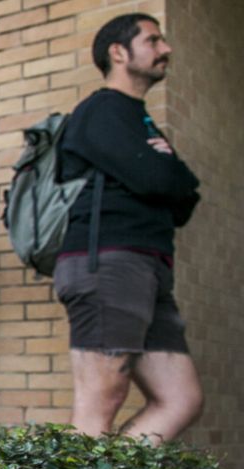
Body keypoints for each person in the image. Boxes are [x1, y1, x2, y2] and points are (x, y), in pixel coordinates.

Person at [54, 13, 202, 444]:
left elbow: (186, 200)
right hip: (107, 263)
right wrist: (169, 169)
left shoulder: (142, 121)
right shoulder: (100, 111)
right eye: (153, 40)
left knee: (181, 398)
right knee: (100, 400)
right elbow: (160, 181)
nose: (166, 49)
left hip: (148, 266)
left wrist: (169, 172)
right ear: (119, 53)